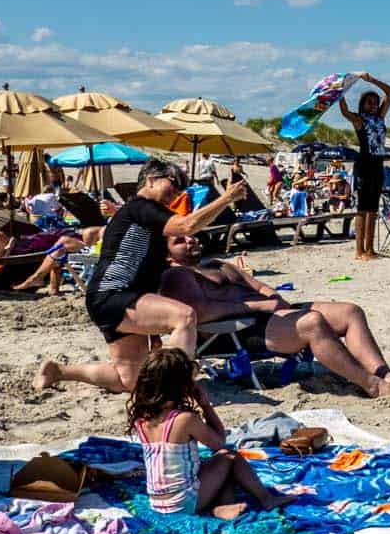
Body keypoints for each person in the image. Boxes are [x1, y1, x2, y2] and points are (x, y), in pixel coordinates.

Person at [33, 159, 250, 395]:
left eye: (183, 187)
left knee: (129, 380)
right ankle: (175, 389)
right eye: (175, 183)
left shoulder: (144, 216)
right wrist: (227, 198)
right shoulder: (141, 207)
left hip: (114, 298)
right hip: (115, 295)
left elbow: (149, 271)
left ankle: (59, 371)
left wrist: (153, 330)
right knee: (185, 317)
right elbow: (187, 225)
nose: (178, 191)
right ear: (151, 180)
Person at [158, 233, 390, 397]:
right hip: (235, 331)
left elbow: (259, 286)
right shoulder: (177, 275)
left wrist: (272, 297)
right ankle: (372, 385)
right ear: (167, 255)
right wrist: (257, 306)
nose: (190, 239)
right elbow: (199, 312)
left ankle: (385, 374)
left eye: (190, 235)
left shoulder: (217, 265)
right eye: (179, 240)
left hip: (269, 315)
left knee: (349, 312)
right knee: (313, 322)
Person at [127, 348, 291, 519]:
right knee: (229, 457)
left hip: (157, 502)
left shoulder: (142, 419)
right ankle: (266, 499)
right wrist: (205, 405)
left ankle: (223, 507)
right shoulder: (184, 419)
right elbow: (220, 442)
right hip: (182, 502)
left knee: (215, 464)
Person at [338, 73, 390, 260]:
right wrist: (339, 90)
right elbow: (344, 111)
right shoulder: (358, 120)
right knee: (362, 209)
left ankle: (370, 249)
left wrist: (372, 80)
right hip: (363, 165)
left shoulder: (380, 117)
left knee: (373, 208)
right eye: (368, 102)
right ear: (362, 104)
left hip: (378, 164)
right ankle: (359, 251)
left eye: (374, 102)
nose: (372, 105)